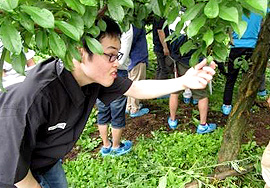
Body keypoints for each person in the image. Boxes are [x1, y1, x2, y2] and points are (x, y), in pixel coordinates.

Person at [0, 16, 216, 188]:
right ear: (80, 52)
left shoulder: (92, 79)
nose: (117, 63)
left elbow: (137, 88)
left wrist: (184, 80)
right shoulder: (36, 97)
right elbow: (15, 169)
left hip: (48, 162)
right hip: (14, 173)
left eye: (118, 55)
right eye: (111, 55)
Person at [168, 35, 217, 134]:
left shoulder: (177, 23)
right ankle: (202, 125)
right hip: (197, 63)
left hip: (180, 62)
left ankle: (172, 120)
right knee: (202, 94)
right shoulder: (201, 26)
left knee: (175, 91)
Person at [96, 25, 133, 157]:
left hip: (99, 74)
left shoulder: (101, 30)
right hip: (118, 74)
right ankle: (116, 147)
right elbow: (122, 59)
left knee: (103, 112)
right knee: (117, 112)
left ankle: (106, 146)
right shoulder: (127, 29)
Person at [220, 12, 264, 115]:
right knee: (249, 78)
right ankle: (247, 105)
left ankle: (226, 106)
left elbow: (229, 28)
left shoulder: (236, 8)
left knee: (231, 78)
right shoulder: (259, 8)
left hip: (236, 46)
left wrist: (231, 40)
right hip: (252, 47)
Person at [126, 24, 150, 118]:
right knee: (137, 84)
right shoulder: (137, 25)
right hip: (138, 59)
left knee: (131, 82)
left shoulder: (128, 25)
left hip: (132, 60)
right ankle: (134, 109)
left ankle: (129, 106)